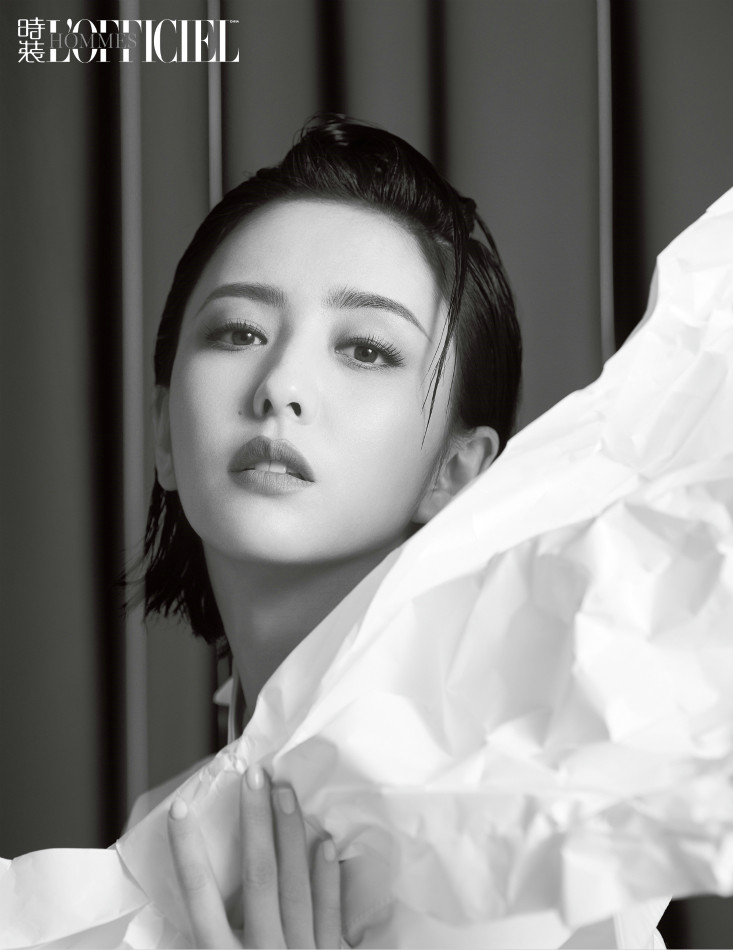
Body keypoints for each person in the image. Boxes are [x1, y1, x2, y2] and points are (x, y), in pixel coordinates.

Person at [132, 113, 522, 947]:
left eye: (366, 349)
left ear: (456, 471)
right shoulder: (158, 834)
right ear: (163, 433)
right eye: (239, 332)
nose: (279, 384)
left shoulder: (505, 832)